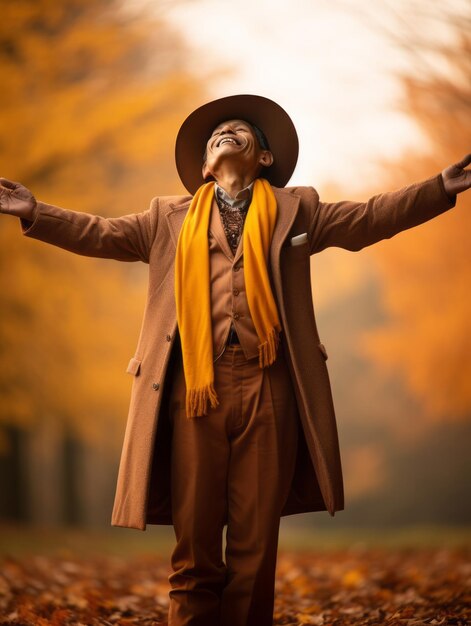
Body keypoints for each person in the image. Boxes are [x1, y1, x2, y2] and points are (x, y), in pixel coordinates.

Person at [0, 94, 469, 626]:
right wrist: (36, 213)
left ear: (263, 158)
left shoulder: (299, 209)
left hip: (271, 388)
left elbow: (367, 218)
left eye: (239, 128)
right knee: (194, 547)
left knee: (254, 549)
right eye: (217, 131)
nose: (226, 130)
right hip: (193, 389)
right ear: (205, 166)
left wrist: (438, 190)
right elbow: (100, 233)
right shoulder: (166, 219)